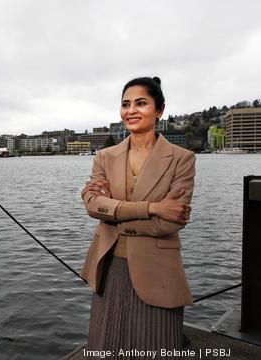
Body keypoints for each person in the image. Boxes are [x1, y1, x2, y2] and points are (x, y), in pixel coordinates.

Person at [80, 76, 196, 359]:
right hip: (109, 266)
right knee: (107, 346)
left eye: (141, 103)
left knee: (155, 344)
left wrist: (114, 212)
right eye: (125, 104)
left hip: (158, 269)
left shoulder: (182, 158)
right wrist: (152, 208)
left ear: (159, 110)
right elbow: (92, 204)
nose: (130, 110)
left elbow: (171, 221)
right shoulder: (105, 156)